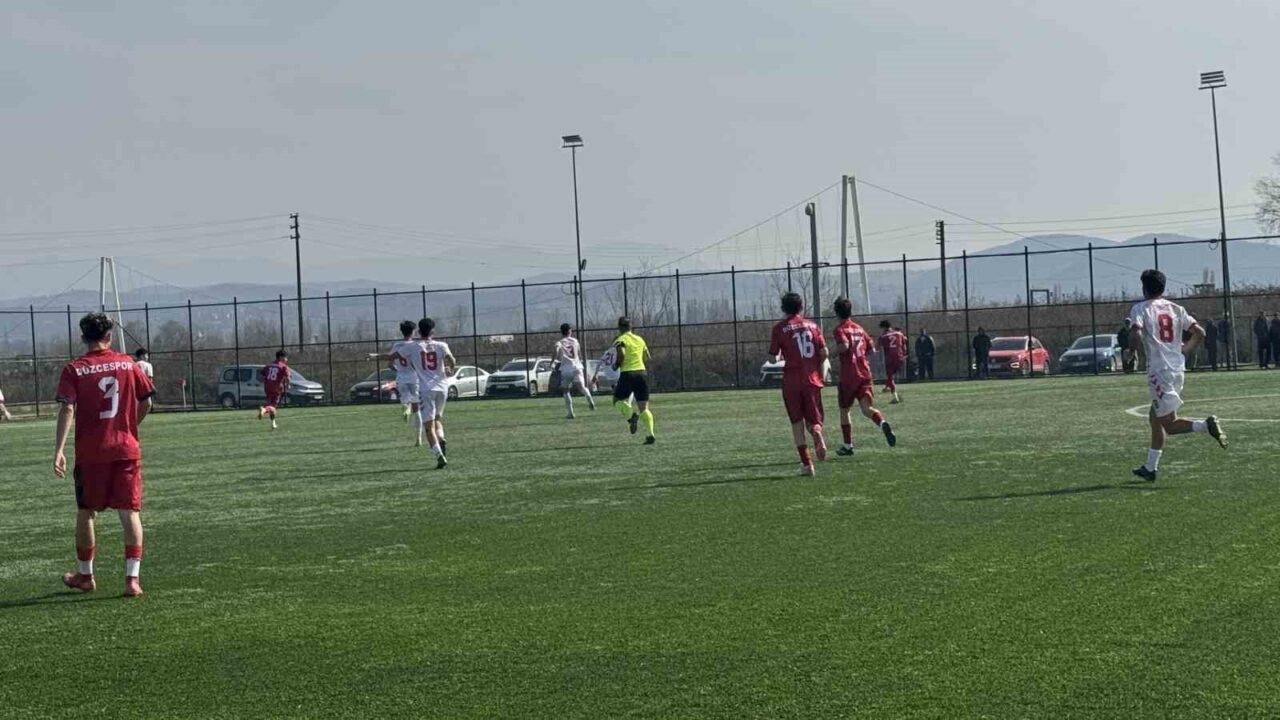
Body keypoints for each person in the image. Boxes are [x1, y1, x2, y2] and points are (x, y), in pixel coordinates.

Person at [53, 312, 155, 597]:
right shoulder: (128, 363)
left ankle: (85, 576)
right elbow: (147, 401)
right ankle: (132, 580)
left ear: (83, 338)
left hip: (91, 453)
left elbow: (67, 408)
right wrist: (128, 427)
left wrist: (59, 450)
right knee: (130, 513)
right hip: (125, 449)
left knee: (86, 512)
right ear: (109, 337)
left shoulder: (74, 369)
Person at [1127, 270, 1227, 483]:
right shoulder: (1176, 308)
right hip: (1177, 369)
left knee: (1169, 425)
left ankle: (1205, 425)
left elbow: (1135, 331)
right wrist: (1184, 350)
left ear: (1144, 288)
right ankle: (1150, 468)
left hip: (1159, 371)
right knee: (1154, 418)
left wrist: (1131, 351)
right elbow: (1200, 333)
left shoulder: (1141, 308)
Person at [770, 293, 828, 475]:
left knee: (797, 423)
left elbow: (772, 357)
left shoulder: (780, 328)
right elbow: (824, 352)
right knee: (814, 420)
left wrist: (779, 357)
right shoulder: (813, 325)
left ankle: (807, 465)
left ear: (783, 308)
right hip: (812, 380)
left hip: (792, 381)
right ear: (801, 307)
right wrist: (818, 368)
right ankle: (816, 431)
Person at [832, 297, 897, 456]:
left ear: (836, 312)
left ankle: (848, 446)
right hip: (865, 373)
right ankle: (882, 422)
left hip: (849, 374)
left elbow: (844, 345)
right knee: (866, 409)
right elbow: (870, 349)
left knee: (844, 410)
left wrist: (830, 354)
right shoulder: (860, 329)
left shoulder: (840, 329)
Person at [409, 317, 456, 469]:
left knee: (428, 426)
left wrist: (377, 356)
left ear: (418, 331)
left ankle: (439, 455)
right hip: (442, 387)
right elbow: (451, 359)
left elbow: (394, 357)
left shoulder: (413, 346)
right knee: (437, 419)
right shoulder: (442, 345)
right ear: (433, 331)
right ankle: (441, 437)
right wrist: (450, 369)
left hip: (426, 389)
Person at [611, 317, 655, 445]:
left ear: (620, 327)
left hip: (628, 373)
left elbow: (622, 354)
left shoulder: (620, 339)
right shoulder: (640, 339)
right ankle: (650, 434)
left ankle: (632, 417)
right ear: (631, 327)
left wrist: (616, 365)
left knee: (617, 400)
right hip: (642, 372)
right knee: (644, 408)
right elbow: (647, 357)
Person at [386, 321, 424, 438]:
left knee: (405, 400)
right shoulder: (416, 345)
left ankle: (406, 407)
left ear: (402, 331)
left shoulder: (396, 345)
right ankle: (419, 437)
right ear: (413, 332)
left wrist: (398, 369)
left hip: (401, 378)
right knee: (417, 409)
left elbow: (390, 364)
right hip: (414, 379)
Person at [553, 323, 595, 419]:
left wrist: (552, 362)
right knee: (582, 387)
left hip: (566, 369)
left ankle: (571, 413)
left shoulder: (560, 342)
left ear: (561, 332)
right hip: (577, 367)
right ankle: (589, 398)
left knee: (565, 390)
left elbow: (556, 350)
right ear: (570, 331)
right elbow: (579, 353)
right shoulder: (575, 341)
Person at [257, 350, 290, 430]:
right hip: (277, 389)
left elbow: (261, 375)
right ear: (281, 357)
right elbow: (288, 377)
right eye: (285, 357)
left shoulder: (268, 365)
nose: (286, 359)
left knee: (270, 406)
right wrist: (288, 385)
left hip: (267, 388)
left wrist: (267, 380)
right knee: (273, 407)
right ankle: (264, 409)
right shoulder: (283, 366)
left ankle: (273, 424)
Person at [877, 320, 906, 403]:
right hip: (900, 357)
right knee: (891, 375)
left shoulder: (883, 336)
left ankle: (895, 397)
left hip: (890, 358)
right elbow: (904, 345)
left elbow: (878, 346)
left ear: (884, 327)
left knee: (890, 376)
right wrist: (904, 354)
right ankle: (887, 387)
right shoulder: (899, 333)